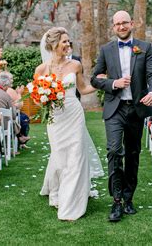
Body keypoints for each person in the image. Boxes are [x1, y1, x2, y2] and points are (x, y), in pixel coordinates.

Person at [91, 10, 152, 222]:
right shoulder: (106, 50)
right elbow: (94, 78)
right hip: (115, 108)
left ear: (131, 24)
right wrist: (113, 83)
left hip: (136, 108)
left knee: (132, 153)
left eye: (124, 23)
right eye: (117, 24)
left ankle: (129, 198)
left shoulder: (144, 47)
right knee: (113, 150)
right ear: (113, 27)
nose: (121, 27)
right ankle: (116, 200)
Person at [36, 27, 104, 222]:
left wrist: (103, 83)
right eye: (64, 41)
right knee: (59, 156)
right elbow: (37, 99)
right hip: (55, 118)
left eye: (68, 41)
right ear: (53, 45)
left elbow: (82, 89)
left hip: (74, 113)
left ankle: (72, 203)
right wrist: (42, 98)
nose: (68, 45)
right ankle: (57, 191)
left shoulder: (75, 65)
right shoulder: (41, 70)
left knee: (76, 156)